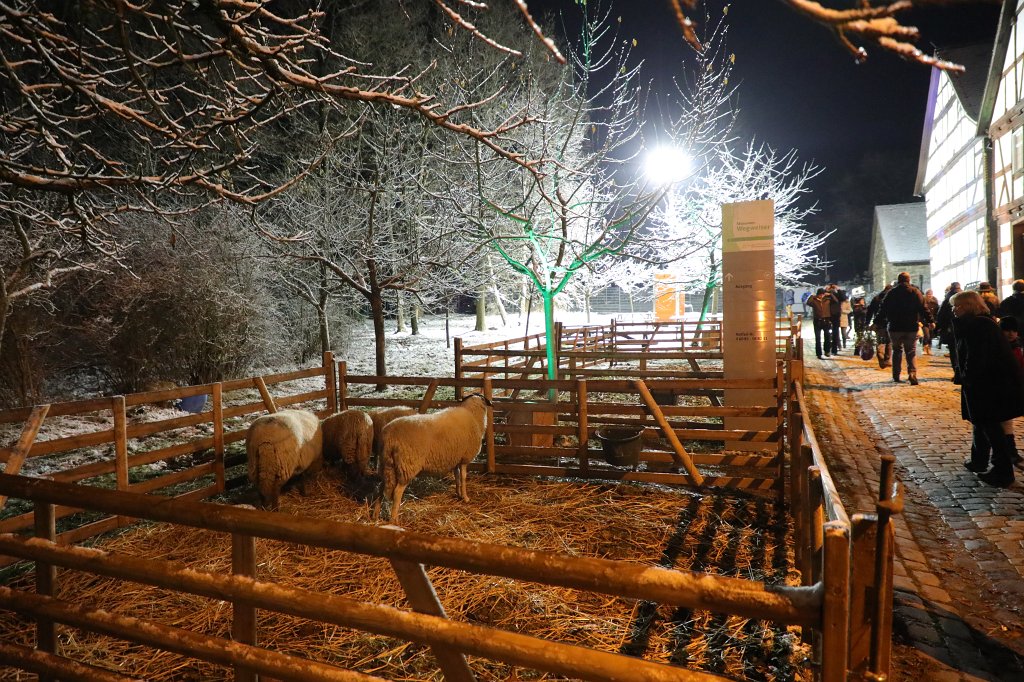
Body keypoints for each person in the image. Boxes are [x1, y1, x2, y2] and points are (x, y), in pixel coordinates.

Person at [952, 290, 1023, 487]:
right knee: (983, 423)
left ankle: (1002, 471)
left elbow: (977, 357)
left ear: (967, 306)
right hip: (988, 383)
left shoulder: (979, 326)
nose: (954, 310)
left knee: (990, 426)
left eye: (956, 306)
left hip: (989, 385)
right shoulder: (980, 323)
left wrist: (966, 376)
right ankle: (983, 461)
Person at [880, 272, 932, 385]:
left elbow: (883, 308)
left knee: (897, 350)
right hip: (911, 327)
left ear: (898, 280)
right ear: (909, 280)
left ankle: (896, 375)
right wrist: (930, 321)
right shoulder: (915, 292)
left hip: (895, 327)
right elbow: (924, 308)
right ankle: (912, 373)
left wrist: (876, 322)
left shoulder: (891, 293)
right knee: (911, 351)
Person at [936, 281, 962, 379]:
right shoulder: (964, 296)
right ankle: (962, 371)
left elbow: (940, 315)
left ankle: (956, 372)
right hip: (963, 327)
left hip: (950, 329)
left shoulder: (947, 299)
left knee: (953, 352)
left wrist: (941, 327)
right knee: (962, 350)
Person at [866, 283, 893, 369]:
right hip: (889, 322)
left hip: (879, 323)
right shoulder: (892, 298)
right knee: (889, 341)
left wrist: (867, 322)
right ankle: (887, 359)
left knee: (880, 341)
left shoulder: (876, 298)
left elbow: (870, 311)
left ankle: (881, 356)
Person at [807, 287, 838, 359]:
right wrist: (812, 296)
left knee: (827, 336)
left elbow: (836, 301)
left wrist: (830, 294)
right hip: (817, 320)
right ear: (817, 294)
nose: (821, 296)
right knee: (818, 338)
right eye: (820, 294)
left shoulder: (827, 299)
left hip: (826, 320)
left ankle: (827, 351)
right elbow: (808, 302)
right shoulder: (814, 300)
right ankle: (819, 353)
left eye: (823, 294)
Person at [826, 283, 846, 353]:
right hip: (828, 315)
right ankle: (830, 349)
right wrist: (826, 290)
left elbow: (844, 298)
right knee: (829, 333)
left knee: (834, 333)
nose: (831, 289)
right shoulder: (826, 295)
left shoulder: (837, 295)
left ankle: (833, 350)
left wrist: (838, 289)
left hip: (834, 316)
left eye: (832, 288)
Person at [921, 288, 939, 355]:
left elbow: (937, 311)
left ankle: (929, 348)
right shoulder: (922, 301)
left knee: (931, 335)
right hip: (924, 321)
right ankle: (925, 348)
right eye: (928, 294)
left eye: (931, 294)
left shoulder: (934, 301)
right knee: (926, 335)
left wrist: (935, 321)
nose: (929, 295)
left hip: (932, 321)